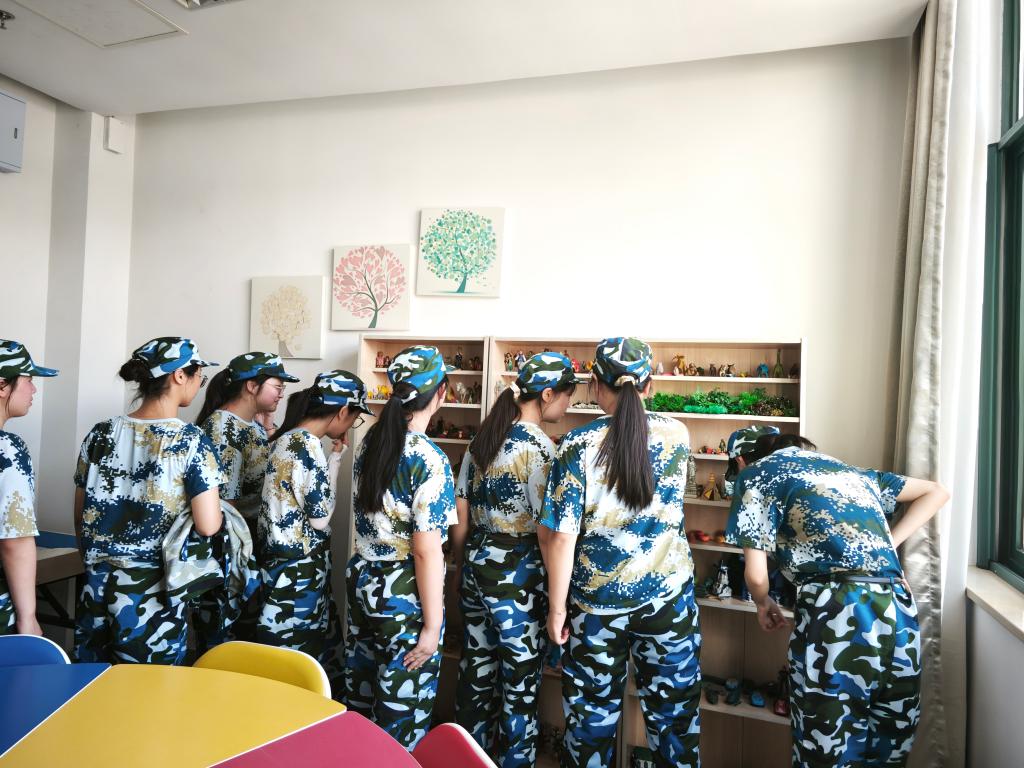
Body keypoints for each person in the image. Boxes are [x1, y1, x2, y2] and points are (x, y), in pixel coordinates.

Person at [724, 427, 950, 768]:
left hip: (836, 608)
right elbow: (937, 491)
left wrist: (762, 602)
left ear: (741, 461)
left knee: (826, 743)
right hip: (896, 602)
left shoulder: (756, 474)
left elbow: (756, 575)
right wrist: (888, 547)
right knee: (889, 740)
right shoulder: (849, 471)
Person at [539, 337, 700, 768]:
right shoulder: (677, 434)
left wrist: (557, 611)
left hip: (597, 608)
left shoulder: (576, 446)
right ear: (649, 385)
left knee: (589, 727)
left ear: (595, 384)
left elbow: (561, 538)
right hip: (668, 603)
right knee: (676, 725)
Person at [451, 352, 580, 767]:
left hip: (476, 567)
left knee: (475, 676)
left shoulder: (482, 441)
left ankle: (467, 758)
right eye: (567, 396)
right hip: (519, 578)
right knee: (519, 688)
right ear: (547, 395)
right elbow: (547, 533)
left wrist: (459, 567)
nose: (569, 405)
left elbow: (461, 514)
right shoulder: (540, 449)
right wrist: (561, 596)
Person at [74, 337, 223, 664]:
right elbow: (208, 525)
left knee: (91, 683)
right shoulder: (190, 440)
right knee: (151, 689)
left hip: (95, 584)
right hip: (153, 593)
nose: (199, 384)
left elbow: (81, 515)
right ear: (179, 375)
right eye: (199, 376)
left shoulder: (101, 433)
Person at [345, 345, 456, 750]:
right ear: (441, 392)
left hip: (362, 579)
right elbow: (427, 550)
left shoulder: (370, 444)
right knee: (400, 718)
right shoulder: (430, 459)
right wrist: (432, 627)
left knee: (360, 702)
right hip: (403, 594)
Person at [257, 370, 370, 690]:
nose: (352, 424)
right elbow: (320, 518)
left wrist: (334, 458)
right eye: (356, 418)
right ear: (343, 411)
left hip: (280, 568)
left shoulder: (288, 439)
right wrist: (336, 462)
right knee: (298, 664)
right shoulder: (305, 446)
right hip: (297, 573)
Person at [195, 352, 298, 646]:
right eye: (277, 387)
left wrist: (268, 425)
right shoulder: (223, 428)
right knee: (225, 638)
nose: (281, 394)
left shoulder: (249, 425)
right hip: (228, 549)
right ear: (252, 386)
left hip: (247, 542)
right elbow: (222, 505)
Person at [0, 340, 58, 635]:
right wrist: (28, 617)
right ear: (2, 386)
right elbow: (15, 539)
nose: (33, 390)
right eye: (28, 380)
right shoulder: (7, 449)